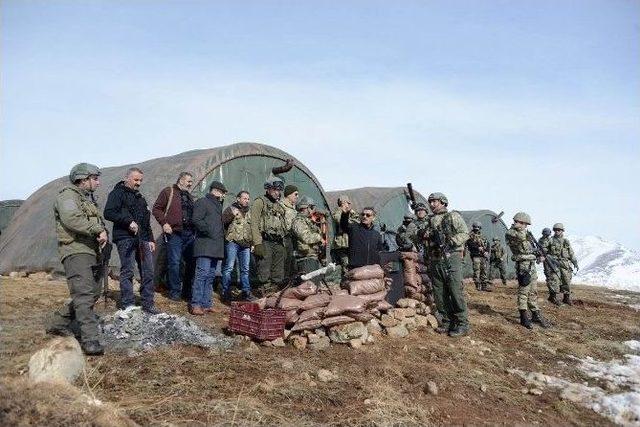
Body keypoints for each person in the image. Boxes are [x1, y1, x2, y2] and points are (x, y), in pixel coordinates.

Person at [46, 163, 109, 355]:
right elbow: (72, 219)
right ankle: (90, 340)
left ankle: (57, 323)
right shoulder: (68, 196)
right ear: (83, 179)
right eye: (95, 178)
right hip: (76, 251)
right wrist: (98, 230)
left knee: (93, 292)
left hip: (91, 251)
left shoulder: (87, 200)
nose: (98, 182)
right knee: (83, 295)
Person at [103, 167, 158, 313]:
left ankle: (148, 303)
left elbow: (145, 221)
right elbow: (108, 213)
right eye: (136, 180)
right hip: (125, 238)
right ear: (127, 178)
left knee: (148, 271)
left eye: (140, 180)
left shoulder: (140, 197)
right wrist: (128, 221)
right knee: (128, 270)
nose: (139, 183)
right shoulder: (117, 193)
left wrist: (151, 239)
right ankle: (128, 303)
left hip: (143, 239)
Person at [422, 192, 470, 337]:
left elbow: (464, 233)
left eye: (434, 201)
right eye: (430, 202)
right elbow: (422, 236)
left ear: (443, 202)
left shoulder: (453, 216)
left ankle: (462, 323)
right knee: (439, 292)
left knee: (455, 290)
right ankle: (447, 321)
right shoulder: (429, 220)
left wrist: (449, 241)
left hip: (451, 257)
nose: (431, 204)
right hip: (435, 259)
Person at [152, 172, 195, 302]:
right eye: (188, 181)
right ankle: (174, 292)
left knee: (191, 263)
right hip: (175, 233)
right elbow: (156, 209)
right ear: (181, 180)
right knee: (174, 263)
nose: (190, 184)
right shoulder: (168, 191)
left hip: (189, 234)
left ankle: (187, 291)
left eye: (191, 182)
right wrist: (164, 223)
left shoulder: (189, 196)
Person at [505, 212, 551, 329]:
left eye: (519, 222)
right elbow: (518, 238)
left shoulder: (527, 234)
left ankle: (535, 313)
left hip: (531, 265)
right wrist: (533, 255)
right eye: (515, 221)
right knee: (523, 292)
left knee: (533, 291)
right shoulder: (512, 233)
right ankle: (523, 317)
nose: (516, 223)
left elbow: (531, 249)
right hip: (523, 266)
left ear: (526, 224)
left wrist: (539, 255)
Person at [189, 181, 227, 315]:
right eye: (222, 192)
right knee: (202, 275)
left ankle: (206, 304)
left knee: (210, 276)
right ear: (215, 191)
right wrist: (209, 231)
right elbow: (196, 220)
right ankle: (196, 304)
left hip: (215, 247)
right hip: (205, 245)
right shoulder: (203, 202)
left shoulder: (217, 205)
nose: (223, 195)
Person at [250, 176, 287, 290]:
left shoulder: (279, 205)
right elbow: (254, 224)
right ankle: (264, 290)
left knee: (278, 271)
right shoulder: (259, 202)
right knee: (264, 268)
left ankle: (274, 291)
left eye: (279, 190)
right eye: (275, 189)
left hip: (278, 241)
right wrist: (257, 243)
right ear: (268, 189)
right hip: (265, 240)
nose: (277, 192)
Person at [221, 190, 255, 301]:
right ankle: (225, 291)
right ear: (238, 198)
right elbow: (222, 222)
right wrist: (232, 214)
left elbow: (254, 228)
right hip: (233, 243)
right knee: (229, 268)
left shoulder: (250, 212)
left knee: (245, 270)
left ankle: (246, 291)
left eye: (248, 199)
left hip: (245, 245)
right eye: (244, 198)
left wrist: (253, 243)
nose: (247, 201)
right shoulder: (231, 209)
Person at [546, 223, 579, 305]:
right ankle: (552, 297)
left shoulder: (565, 241)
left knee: (566, 280)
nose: (557, 231)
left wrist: (575, 262)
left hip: (564, 263)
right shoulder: (550, 240)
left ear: (562, 231)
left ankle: (566, 298)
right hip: (554, 263)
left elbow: (571, 253)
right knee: (554, 280)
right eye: (555, 230)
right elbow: (544, 251)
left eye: (559, 230)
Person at [292, 196, 324, 275]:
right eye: (311, 207)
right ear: (305, 208)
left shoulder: (308, 221)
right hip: (304, 258)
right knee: (309, 284)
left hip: (311, 256)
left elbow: (318, 232)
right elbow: (306, 237)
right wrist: (319, 238)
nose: (313, 210)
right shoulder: (298, 221)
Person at [331, 195, 359, 270]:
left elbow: (358, 222)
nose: (348, 205)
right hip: (342, 243)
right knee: (346, 264)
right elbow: (341, 221)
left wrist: (353, 214)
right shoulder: (338, 212)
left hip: (348, 242)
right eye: (347, 203)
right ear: (343, 203)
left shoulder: (349, 213)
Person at [466, 221, 491, 291]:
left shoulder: (483, 236)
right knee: (477, 271)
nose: (477, 229)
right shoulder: (470, 236)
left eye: (478, 228)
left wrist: (486, 251)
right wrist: (477, 248)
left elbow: (487, 244)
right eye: (475, 228)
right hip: (476, 256)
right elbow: (470, 244)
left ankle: (484, 286)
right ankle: (477, 285)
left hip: (483, 256)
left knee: (484, 271)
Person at [280, 185, 299, 279]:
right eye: (295, 194)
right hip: (284, 238)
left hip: (292, 238)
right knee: (285, 261)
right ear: (288, 195)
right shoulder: (281, 206)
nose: (297, 196)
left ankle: (290, 280)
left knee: (291, 260)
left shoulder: (293, 207)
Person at [538, 228, 559, 305]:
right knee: (549, 277)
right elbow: (538, 250)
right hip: (546, 260)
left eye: (547, 234)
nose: (546, 235)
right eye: (545, 234)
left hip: (551, 259)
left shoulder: (551, 240)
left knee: (554, 277)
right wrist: (540, 256)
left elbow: (554, 251)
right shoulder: (540, 240)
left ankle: (553, 295)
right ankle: (552, 296)